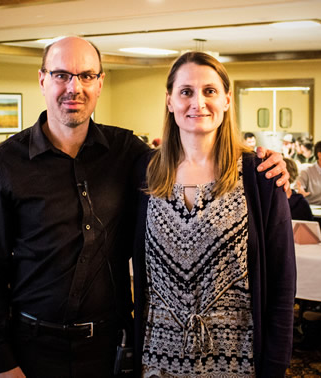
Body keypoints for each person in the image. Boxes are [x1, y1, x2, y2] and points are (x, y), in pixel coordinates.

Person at [0, 37, 288, 378]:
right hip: (35, 344)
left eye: (86, 76)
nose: (74, 87)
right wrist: (0, 359)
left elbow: (280, 280)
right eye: (62, 75)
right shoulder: (5, 163)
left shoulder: (130, 155)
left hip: (114, 347)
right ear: (42, 79)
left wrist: (270, 162)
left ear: (100, 82)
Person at [133, 51, 295, 377]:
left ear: (226, 100)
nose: (198, 103)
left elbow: (282, 282)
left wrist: (276, 364)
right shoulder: (143, 173)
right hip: (158, 357)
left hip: (236, 359)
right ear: (169, 101)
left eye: (209, 91)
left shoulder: (260, 175)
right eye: (186, 92)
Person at [297, 139, 321, 206]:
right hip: (311, 210)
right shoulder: (306, 171)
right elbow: (298, 190)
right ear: (320, 155)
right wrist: (300, 192)